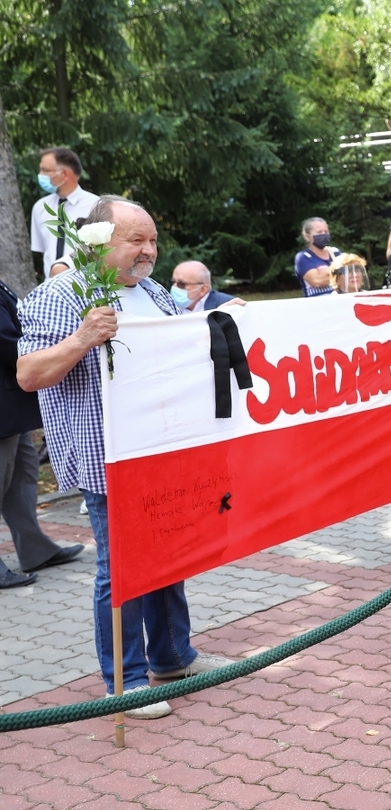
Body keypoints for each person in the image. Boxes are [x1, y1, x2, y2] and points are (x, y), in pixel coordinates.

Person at [16, 196, 235, 717]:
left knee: (168, 555)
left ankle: (174, 657)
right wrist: (82, 338)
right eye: (136, 240)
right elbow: (29, 374)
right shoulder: (62, 294)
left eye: (153, 240)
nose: (149, 251)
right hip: (108, 456)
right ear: (98, 243)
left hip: (163, 448)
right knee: (122, 568)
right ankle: (126, 680)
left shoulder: (155, 292)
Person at [1, 279, 84, 589]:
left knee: (22, 479)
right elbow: (7, 342)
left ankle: (36, 549)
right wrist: (43, 353)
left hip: (12, 406)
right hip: (5, 402)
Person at [30, 147, 99, 277]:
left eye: (46, 170)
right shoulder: (40, 207)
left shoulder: (96, 206)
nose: (40, 175)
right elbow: (44, 251)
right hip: (51, 284)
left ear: (64, 174)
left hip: (86, 284)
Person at [170, 261, 239, 311]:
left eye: (181, 284)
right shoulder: (168, 307)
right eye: (173, 282)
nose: (174, 287)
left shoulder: (229, 306)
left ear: (203, 289)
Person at [294, 218, 338, 296]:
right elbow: (317, 281)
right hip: (317, 301)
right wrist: (339, 275)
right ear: (307, 236)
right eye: (319, 232)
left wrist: (326, 273)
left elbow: (349, 275)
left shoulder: (335, 252)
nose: (323, 234)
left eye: (326, 231)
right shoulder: (303, 257)